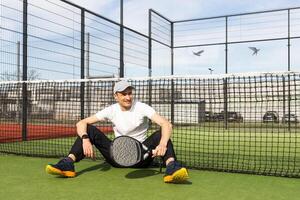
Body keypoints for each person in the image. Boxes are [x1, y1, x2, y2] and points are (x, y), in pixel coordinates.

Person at [46, 80, 189, 183]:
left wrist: (162, 144)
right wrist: (85, 138)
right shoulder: (111, 109)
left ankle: (172, 168)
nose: (128, 97)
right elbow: (81, 123)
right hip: (116, 157)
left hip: (142, 157)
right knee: (88, 129)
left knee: (161, 135)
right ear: (116, 96)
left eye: (130, 93)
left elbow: (166, 124)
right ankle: (67, 164)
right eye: (123, 94)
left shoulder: (141, 107)